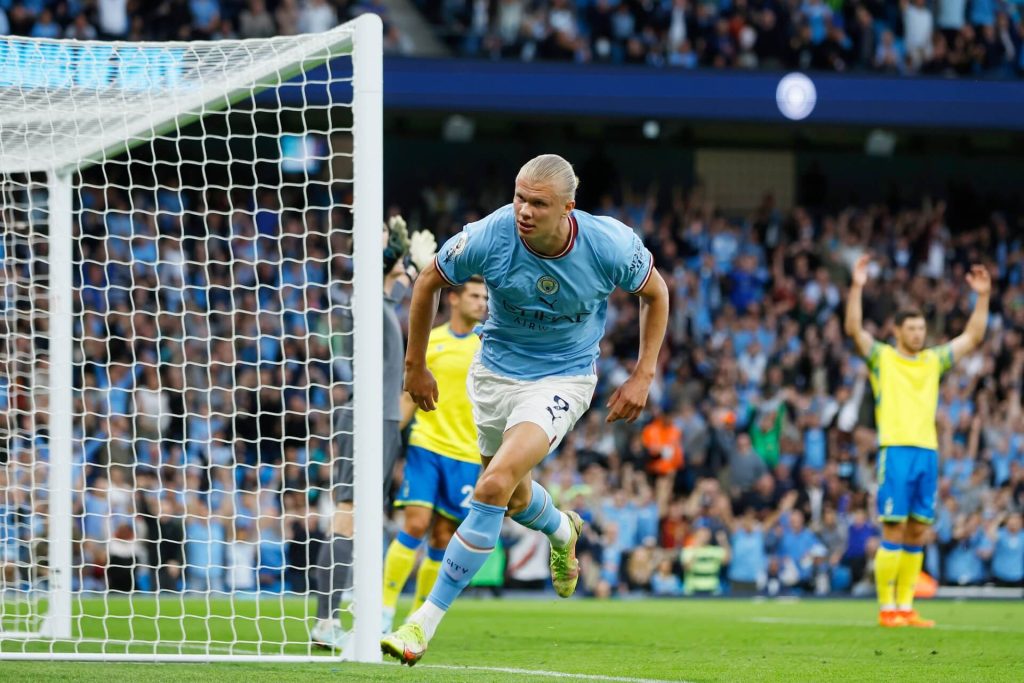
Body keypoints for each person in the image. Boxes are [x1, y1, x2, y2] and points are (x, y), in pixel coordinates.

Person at [381, 154, 669, 665]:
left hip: (563, 379)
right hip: (493, 377)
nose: (523, 211)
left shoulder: (608, 243)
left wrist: (644, 372)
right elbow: (427, 281)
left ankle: (421, 623)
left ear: (567, 209)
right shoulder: (491, 234)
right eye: (519, 197)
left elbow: (656, 291)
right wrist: (414, 366)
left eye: (538, 203)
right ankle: (562, 528)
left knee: (491, 486)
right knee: (512, 500)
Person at [844, 253, 991, 628]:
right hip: (896, 451)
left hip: (927, 453)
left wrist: (983, 296)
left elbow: (973, 337)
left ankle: (906, 607)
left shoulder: (933, 361)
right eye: (911, 329)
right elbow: (854, 331)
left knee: (917, 531)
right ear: (897, 331)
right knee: (892, 529)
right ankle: (886, 608)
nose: (918, 335)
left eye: (922, 329)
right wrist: (857, 287)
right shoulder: (883, 358)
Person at [310, 215, 436, 650]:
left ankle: (348, 605)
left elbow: (407, 287)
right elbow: (385, 272)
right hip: (360, 418)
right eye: (398, 265)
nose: (403, 275)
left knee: (363, 518)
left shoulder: (382, 303)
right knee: (347, 514)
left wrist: (416, 264)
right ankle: (325, 619)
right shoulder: (364, 297)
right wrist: (395, 246)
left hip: (382, 421)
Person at [381, 275, 489, 633]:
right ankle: (382, 610)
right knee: (414, 523)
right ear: (454, 300)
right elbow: (409, 398)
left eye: (485, 297)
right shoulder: (432, 341)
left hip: (468, 454)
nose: (482, 303)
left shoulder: (488, 346)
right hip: (427, 445)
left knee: (443, 538)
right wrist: (384, 436)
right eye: (474, 295)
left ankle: (414, 618)